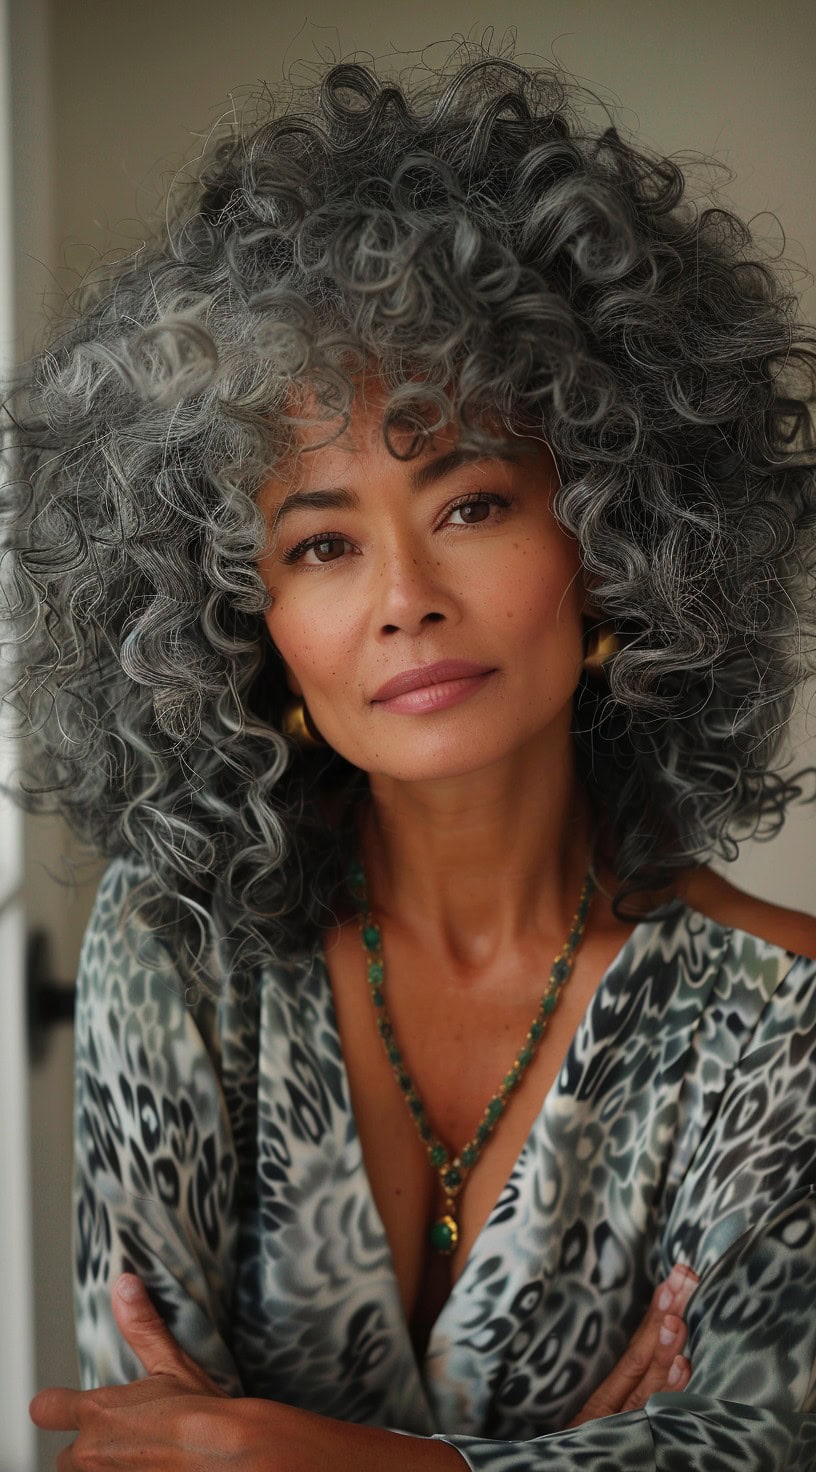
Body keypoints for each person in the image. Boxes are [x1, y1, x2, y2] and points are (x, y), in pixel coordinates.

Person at [7, 39, 816, 1471]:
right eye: (319, 542)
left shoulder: (782, 1014)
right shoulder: (177, 941)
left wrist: (311, 1455)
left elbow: (764, 1443)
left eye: (471, 504)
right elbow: (134, 1449)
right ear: (242, 623)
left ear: (620, 540)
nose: (402, 598)